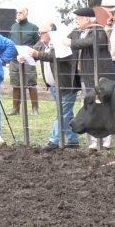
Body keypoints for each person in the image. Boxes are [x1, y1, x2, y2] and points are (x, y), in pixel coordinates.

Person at [20, 21, 81, 151]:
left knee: (63, 112)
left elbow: (56, 57)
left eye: (42, 33)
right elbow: (34, 52)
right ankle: (73, 139)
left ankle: (54, 140)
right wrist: (23, 56)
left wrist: (37, 55)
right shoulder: (42, 44)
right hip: (54, 85)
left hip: (67, 84)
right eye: (39, 33)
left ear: (51, 33)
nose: (39, 35)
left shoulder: (61, 43)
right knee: (66, 113)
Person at [63, 7, 115, 151]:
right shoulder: (77, 32)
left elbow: (89, 42)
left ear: (87, 19)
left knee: (103, 105)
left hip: (100, 76)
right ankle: (93, 140)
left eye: (78, 19)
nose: (76, 21)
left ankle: (106, 140)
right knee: (88, 106)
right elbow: (67, 40)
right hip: (85, 76)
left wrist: (71, 43)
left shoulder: (98, 31)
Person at [8, 7, 40, 116]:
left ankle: (35, 108)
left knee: (31, 84)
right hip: (14, 60)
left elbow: (38, 44)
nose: (18, 14)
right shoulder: (13, 27)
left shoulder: (33, 27)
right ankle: (15, 108)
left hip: (28, 60)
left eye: (20, 12)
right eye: (17, 13)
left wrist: (32, 55)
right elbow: (9, 43)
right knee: (15, 84)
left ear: (26, 13)